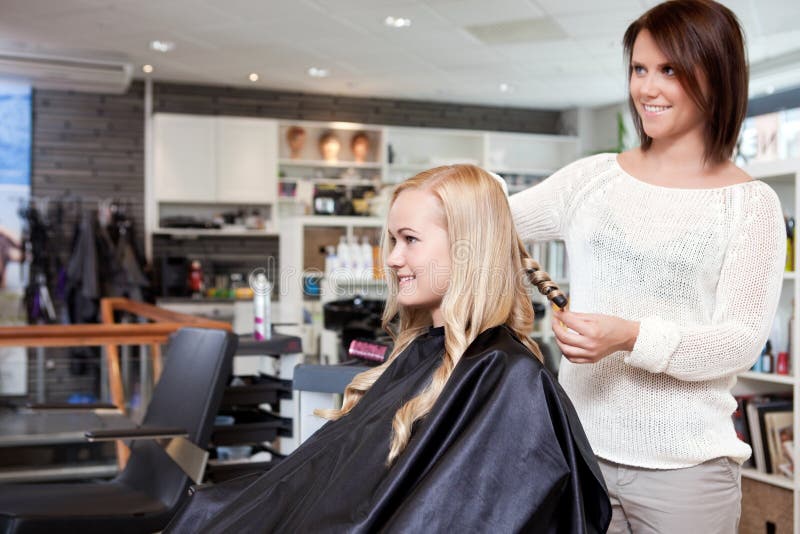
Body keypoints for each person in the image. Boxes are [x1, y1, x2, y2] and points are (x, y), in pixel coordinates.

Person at [166, 164, 610, 533]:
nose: (393, 258)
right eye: (393, 240)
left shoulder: (503, 375)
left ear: (468, 250)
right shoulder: (426, 353)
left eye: (410, 240)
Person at [509, 1, 785, 532]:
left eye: (670, 70)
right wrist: (472, 193)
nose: (647, 89)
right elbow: (492, 222)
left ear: (718, 75)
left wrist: (630, 336)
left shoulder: (749, 205)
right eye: (639, 69)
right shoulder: (591, 180)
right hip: (577, 454)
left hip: (687, 477)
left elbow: (740, 339)